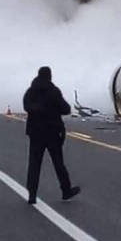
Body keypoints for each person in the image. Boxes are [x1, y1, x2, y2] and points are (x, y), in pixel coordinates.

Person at [22, 66, 80, 205]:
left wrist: (38, 111)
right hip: (52, 132)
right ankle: (66, 191)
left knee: (34, 164)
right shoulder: (53, 91)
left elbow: (26, 106)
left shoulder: (30, 92)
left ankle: (32, 194)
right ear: (49, 76)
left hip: (35, 132)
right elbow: (66, 109)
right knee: (58, 163)